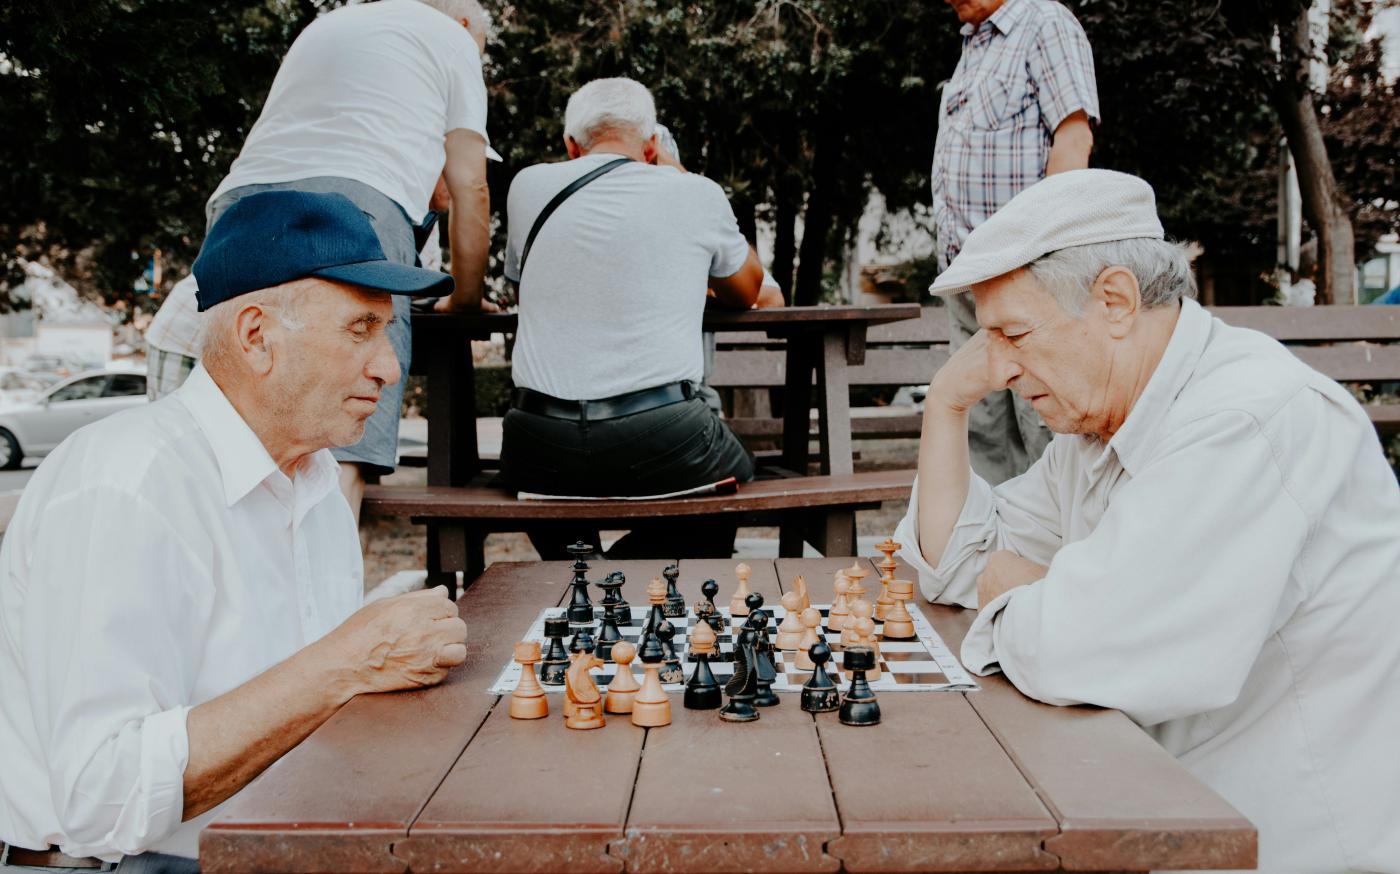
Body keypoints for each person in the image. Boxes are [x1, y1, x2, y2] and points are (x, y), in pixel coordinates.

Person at [895, 169, 1400, 873]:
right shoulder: (1099, 426)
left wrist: (1028, 591)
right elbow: (952, 565)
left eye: (1014, 334)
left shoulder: (1244, 420)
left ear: (1115, 301)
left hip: (1276, 845)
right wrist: (945, 405)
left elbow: (1083, 650)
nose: (999, 370)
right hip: (1155, 804)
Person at [0, 191, 469, 870]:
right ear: (256, 337)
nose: (390, 367)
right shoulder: (126, 485)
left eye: (387, 333)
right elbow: (101, 800)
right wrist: (347, 662)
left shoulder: (314, 484)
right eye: (359, 329)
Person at [206, 0, 495, 522]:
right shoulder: (451, 37)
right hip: (352, 208)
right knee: (344, 427)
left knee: (240, 432)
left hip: (239, 205)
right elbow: (469, 185)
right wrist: (466, 297)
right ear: (465, 26)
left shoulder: (330, 24)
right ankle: (331, 602)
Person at [498, 77, 768, 560]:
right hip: (663, 433)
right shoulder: (693, 192)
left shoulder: (526, 186)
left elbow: (526, 284)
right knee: (734, 478)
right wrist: (680, 172)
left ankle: (578, 564)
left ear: (569, 145)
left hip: (537, 442)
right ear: (651, 147)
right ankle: (620, 571)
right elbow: (747, 290)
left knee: (541, 475)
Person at [933, 0, 1099, 484]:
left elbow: (1073, 139)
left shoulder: (1045, 21)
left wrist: (1041, 254)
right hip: (967, 274)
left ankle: (1060, 553)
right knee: (981, 429)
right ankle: (994, 552)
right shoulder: (975, 42)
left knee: (1044, 424)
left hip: (1024, 270)